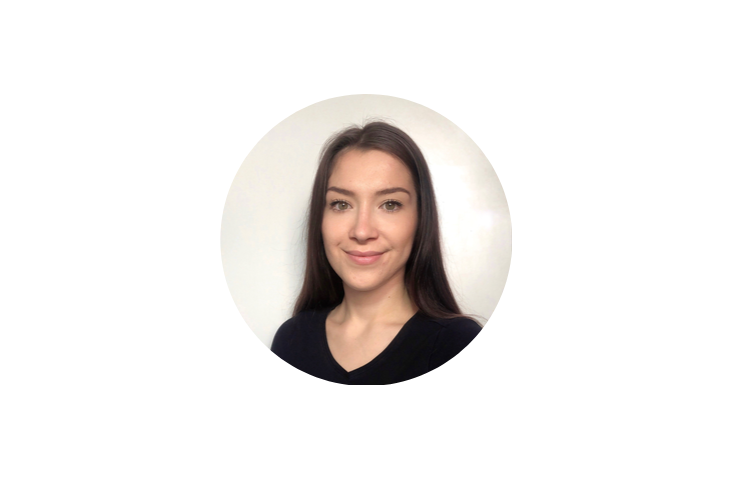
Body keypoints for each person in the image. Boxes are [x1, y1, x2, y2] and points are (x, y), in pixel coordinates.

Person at [271, 121, 481, 385]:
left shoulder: (458, 345)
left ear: (420, 219)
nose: (362, 231)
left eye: (390, 204)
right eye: (341, 204)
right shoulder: (291, 339)